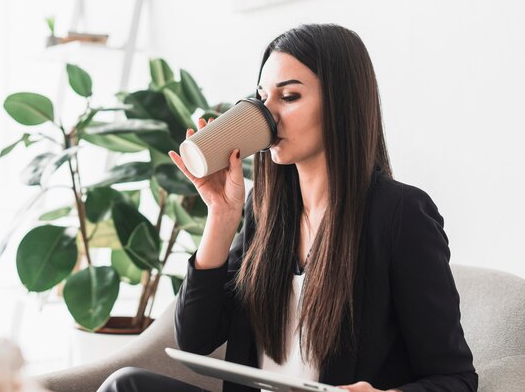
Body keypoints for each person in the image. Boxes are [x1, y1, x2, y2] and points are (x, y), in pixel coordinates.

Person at [98, 24, 478, 392]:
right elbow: (195, 339)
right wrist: (221, 215)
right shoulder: (266, 213)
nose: (269, 115)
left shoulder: (401, 215)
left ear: (342, 103)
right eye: (262, 99)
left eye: (289, 97)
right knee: (126, 385)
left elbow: (456, 380)